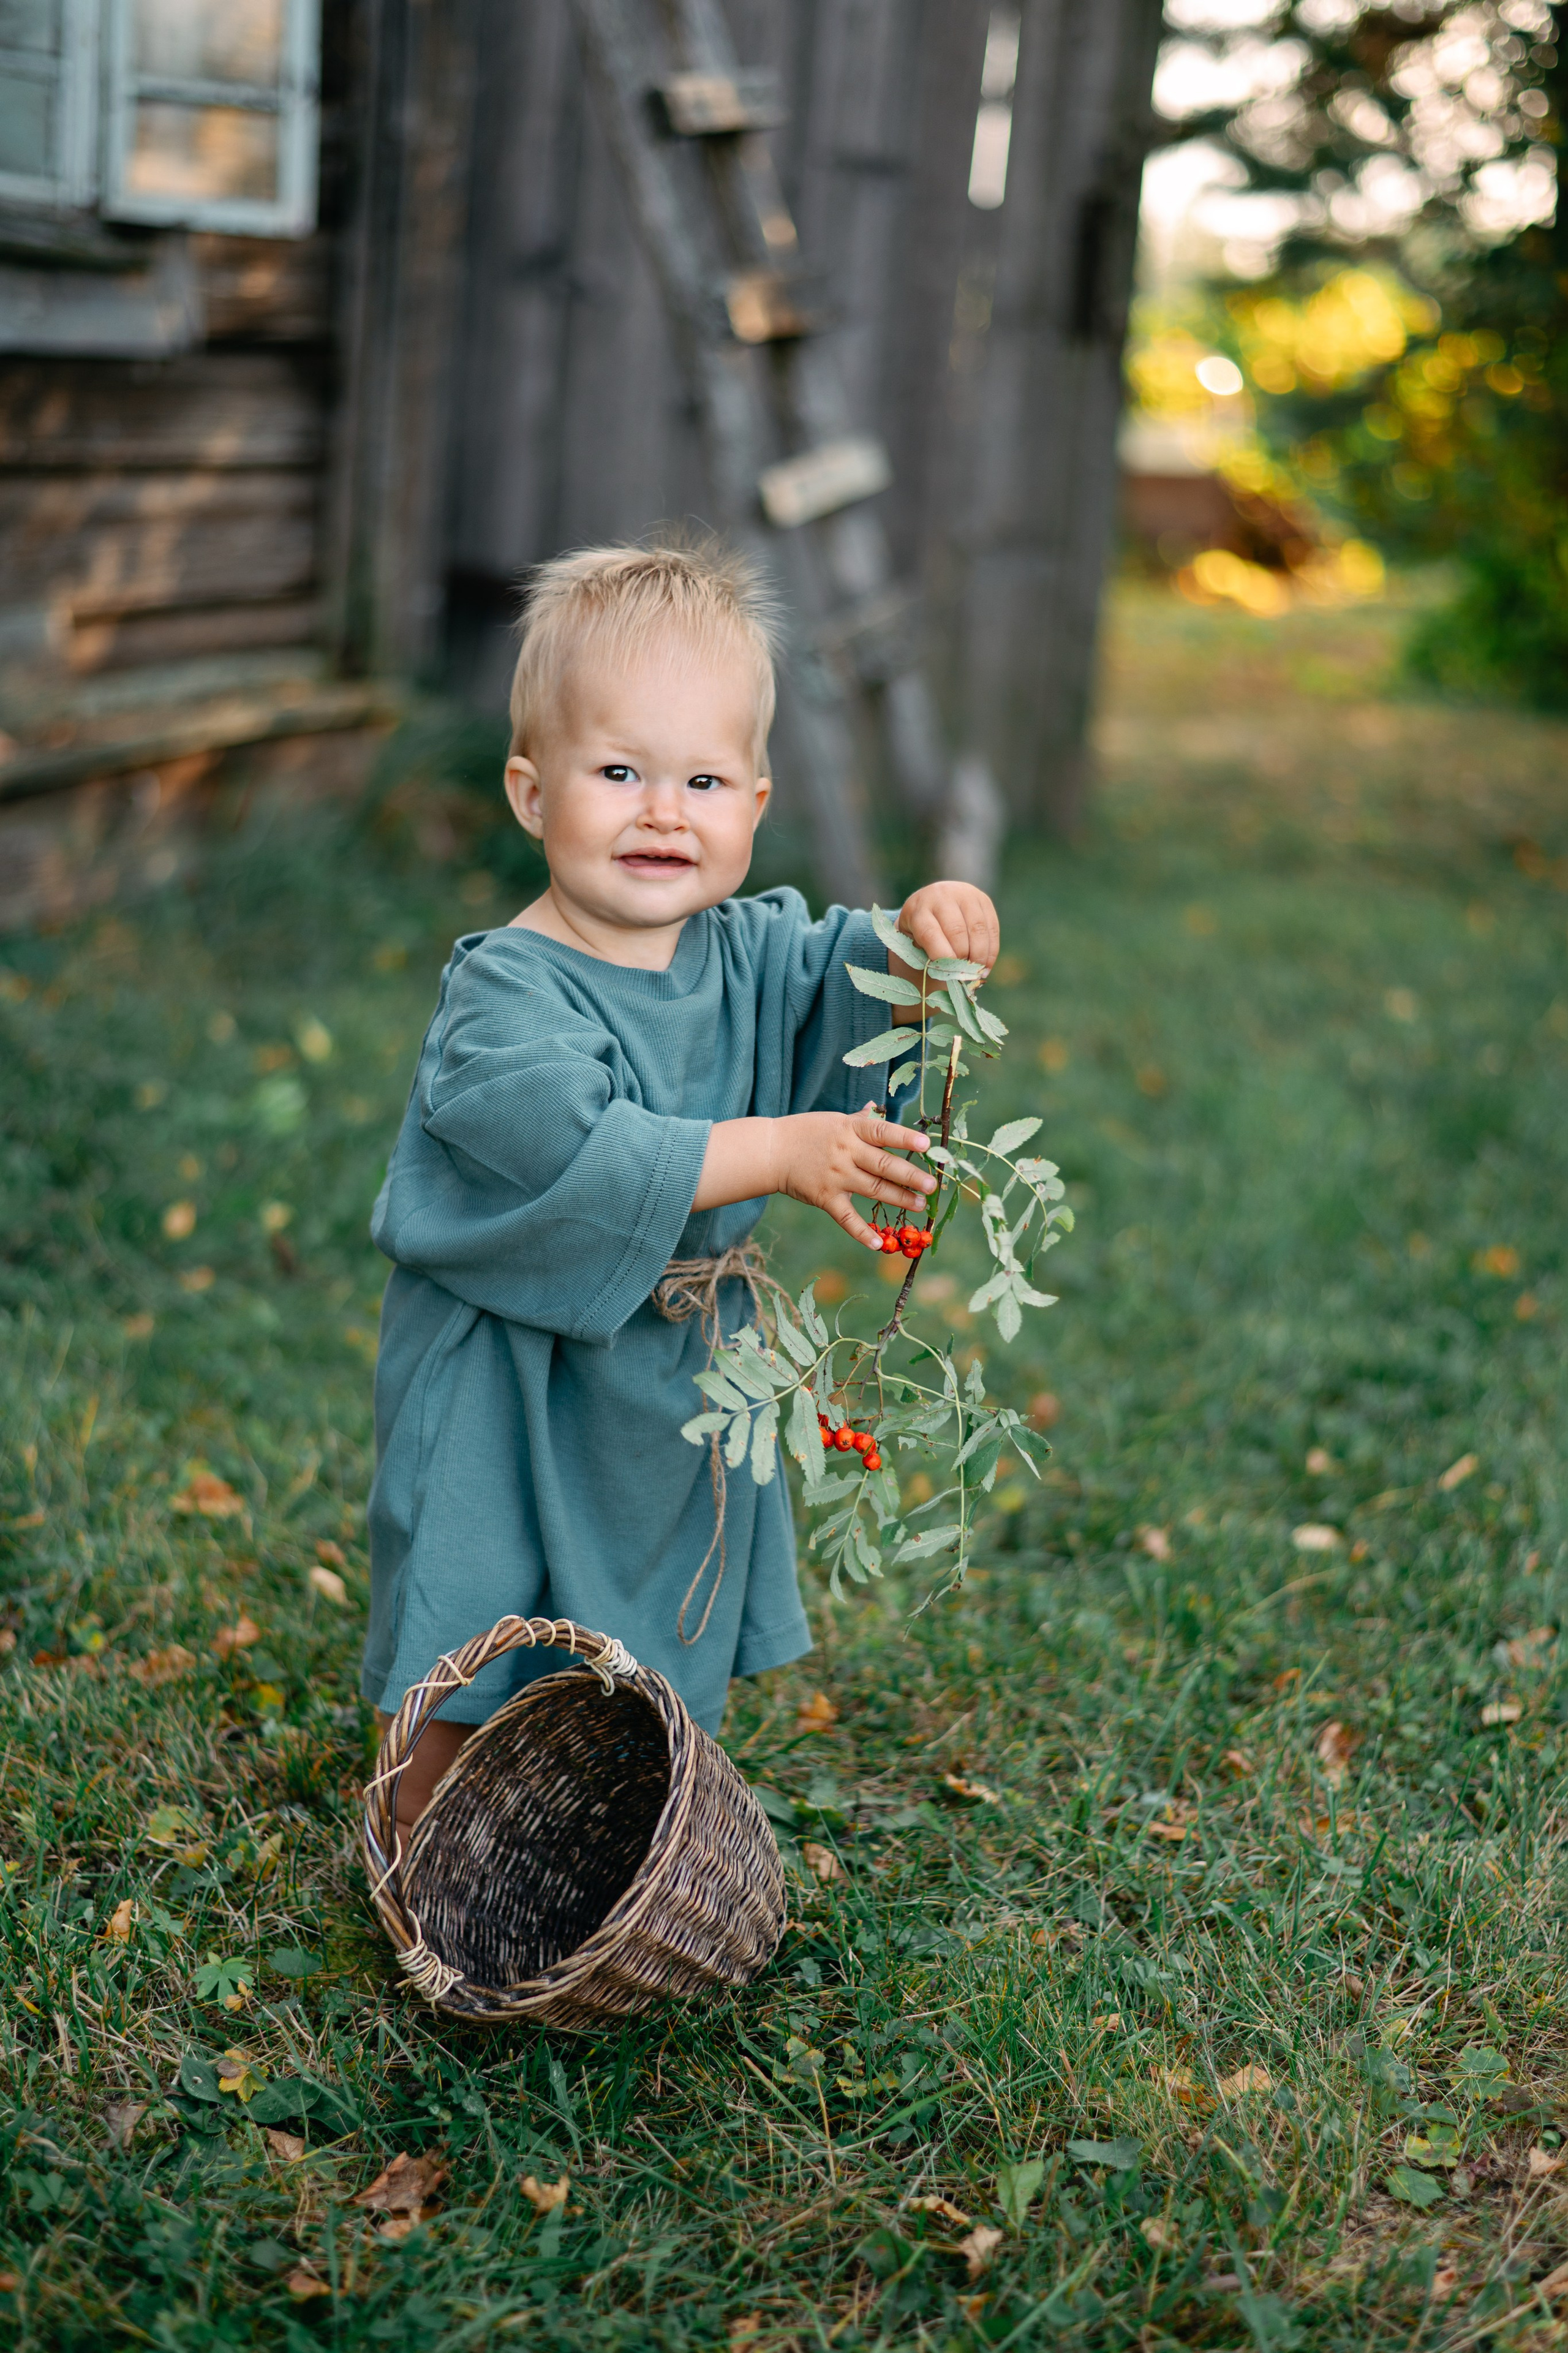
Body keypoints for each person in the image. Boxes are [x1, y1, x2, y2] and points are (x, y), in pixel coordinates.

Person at [363, 538, 999, 1830]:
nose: (663, 811)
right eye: (618, 772)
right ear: (530, 793)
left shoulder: (747, 949)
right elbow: (571, 1150)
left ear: (754, 806)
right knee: (473, 1604)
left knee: (653, 1602)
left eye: (703, 779)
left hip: (672, 1376)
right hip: (509, 1378)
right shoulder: (504, 992)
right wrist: (777, 1148)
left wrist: (932, 931)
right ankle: (417, 1838)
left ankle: (610, 1825)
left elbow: (850, 974)